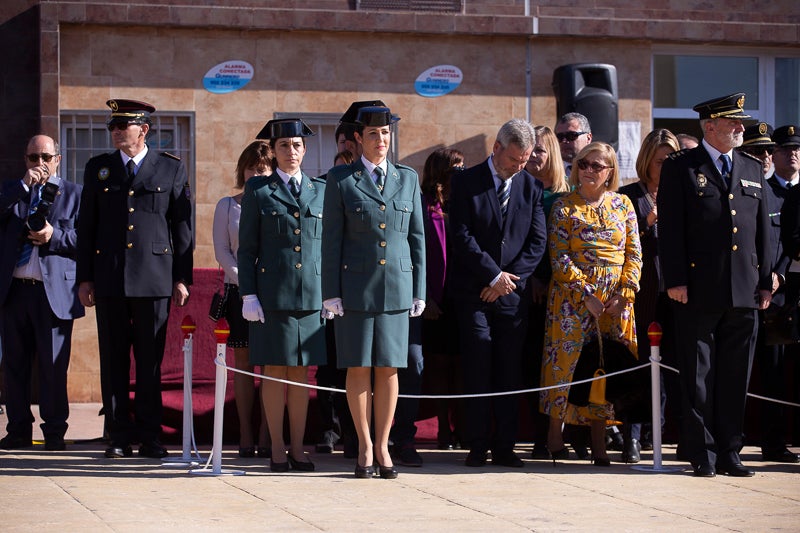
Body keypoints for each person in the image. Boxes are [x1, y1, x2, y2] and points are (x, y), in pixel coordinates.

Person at [658, 93, 772, 478]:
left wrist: (766, 280)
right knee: (698, 377)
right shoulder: (682, 166)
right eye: (733, 122)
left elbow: (761, 234)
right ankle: (702, 452)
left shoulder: (752, 167)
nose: (741, 128)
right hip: (697, 288)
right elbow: (670, 228)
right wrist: (675, 279)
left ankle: (729, 451)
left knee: (735, 376)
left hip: (744, 290)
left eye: (741, 123)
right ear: (710, 126)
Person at [77, 99, 193, 459]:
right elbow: (87, 226)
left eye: (122, 126)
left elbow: (182, 227)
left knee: (149, 362)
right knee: (113, 360)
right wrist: (85, 278)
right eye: (112, 125)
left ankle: (150, 436)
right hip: (110, 277)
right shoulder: (100, 168)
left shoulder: (169, 168)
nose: (115, 131)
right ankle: (117, 435)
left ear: (143, 130)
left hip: (154, 278)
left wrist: (181, 278)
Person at [322, 105, 425, 479]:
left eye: (385, 134)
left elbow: (417, 238)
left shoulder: (408, 178)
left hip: (397, 287)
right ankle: (364, 445)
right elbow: (330, 240)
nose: (381, 141)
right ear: (358, 140)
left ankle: (383, 444)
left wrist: (420, 289)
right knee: (358, 366)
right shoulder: (340, 179)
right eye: (373, 135)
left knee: (389, 368)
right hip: (355, 289)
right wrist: (330, 292)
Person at [449, 119, 547, 468]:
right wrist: (492, 276)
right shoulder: (464, 182)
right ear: (496, 148)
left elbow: (537, 242)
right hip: (474, 291)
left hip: (512, 296)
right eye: (514, 159)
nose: (519, 166)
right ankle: (477, 444)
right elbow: (460, 236)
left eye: (525, 160)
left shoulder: (532, 187)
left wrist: (509, 280)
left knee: (508, 370)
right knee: (478, 367)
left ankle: (505, 445)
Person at [540, 142, 642, 467]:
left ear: (610, 171)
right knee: (566, 367)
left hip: (616, 301)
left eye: (596, 165)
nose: (588, 170)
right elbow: (559, 256)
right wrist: (587, 295)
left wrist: (624, 293)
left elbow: (634, 253)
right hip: (573, 301)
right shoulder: (563, 206)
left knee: (605, 368)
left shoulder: (623, 204)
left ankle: (600, 442)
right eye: (584, 163)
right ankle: (554, 437)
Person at [238, 119, 326, 473]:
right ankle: (275, 447)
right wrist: (249, 295)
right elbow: (247, 250)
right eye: (284, 146)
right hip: (272, 295)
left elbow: (328, 245)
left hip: (311, 296)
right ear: (273, 151)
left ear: (305, 150)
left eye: (297, 145)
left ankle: (298, 448)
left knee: (301, 374)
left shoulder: (320, 190)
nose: (292, 151)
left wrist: (331, 294)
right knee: (274, 372)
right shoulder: (259, 191)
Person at [0, 135, 84, 451]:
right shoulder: (13, 192)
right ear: (26, 160)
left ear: (57, 159)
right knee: (14, 366)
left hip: (53, 294)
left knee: (52, 367)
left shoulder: (75, 194)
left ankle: (53, 433)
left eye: (45, 157)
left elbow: (86, 239)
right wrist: (23, 186)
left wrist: (54, 235)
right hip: (15, 292)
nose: (40, 164)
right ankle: (19, 430)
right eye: (33, 158)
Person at [618, 128, 681, 462]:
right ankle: (632, 437)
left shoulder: (683, 192)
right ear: (647, 161)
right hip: (641, 294)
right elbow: (621, 244)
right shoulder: (628, 195)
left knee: (668, 366)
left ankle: (657, 434)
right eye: (661, 161)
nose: (667, 166)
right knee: (638, 367)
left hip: (675, 294)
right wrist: (648, 219)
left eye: (672, 160)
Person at [212, 140, 272, 458]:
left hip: (274, 294)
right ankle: (246, 434)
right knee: (245, 365)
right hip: (240, 294)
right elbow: (222, 250)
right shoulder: (228, 205)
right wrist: (246, 283)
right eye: (251, 169)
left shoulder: (278, 203)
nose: (256, 175)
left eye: (262, 169)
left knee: (273, 367)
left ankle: (267, 434)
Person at [523, 125, 570, 460]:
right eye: (530, 150)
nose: (534, 156)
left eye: (540, 149)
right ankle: (536, 434)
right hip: (528, 290)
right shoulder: (520, 191)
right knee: (530, 367)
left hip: (563, 294)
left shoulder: (566, 198)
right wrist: (532, 279)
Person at [415, 147, 465, 453]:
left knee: (461, 367)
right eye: (456, 169)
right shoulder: (422, 206)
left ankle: (461, 427)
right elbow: (416, 256)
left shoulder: (465, 203)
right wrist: (427, 297)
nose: (461, 174)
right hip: (433, 299)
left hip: (461, 298)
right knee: (438, 366)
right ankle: (443, 430)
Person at [764, 124, 800, 464]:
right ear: (772, 155)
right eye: (785, 148)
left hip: (797, 295)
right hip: (775, 298)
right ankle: (773, 441)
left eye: (797, 148)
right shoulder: (765, 190)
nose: (792, 153)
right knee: (773, 373)